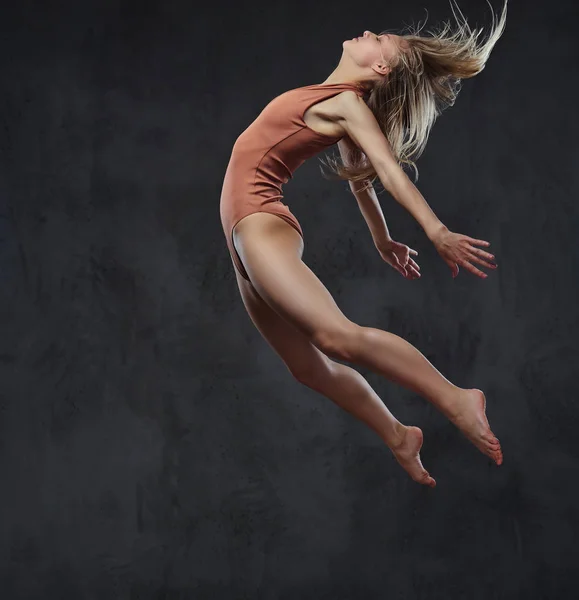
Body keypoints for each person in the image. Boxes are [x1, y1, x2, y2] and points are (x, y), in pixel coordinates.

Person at [219, 0, 508, 487]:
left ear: (379, 66)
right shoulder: (336, 99)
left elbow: (388, 174)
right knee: (307, 369)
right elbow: (362, 181)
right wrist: (381, 238)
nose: (371, 31)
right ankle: (399, 435)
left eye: (381, 40)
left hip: (260, 223)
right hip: (241, 237)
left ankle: (457, 398)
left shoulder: (348, 104)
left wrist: (435, 231)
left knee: (337, 337)